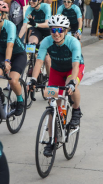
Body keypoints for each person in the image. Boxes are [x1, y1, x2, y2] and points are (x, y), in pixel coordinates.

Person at [28, 15, 84, 155]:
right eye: (53, 30)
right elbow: (39, 62)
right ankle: (52, 140)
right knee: (53, 103)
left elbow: (76, 65)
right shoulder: (46, 41)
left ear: (65, 31)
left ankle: (76, 110)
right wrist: (33, 79)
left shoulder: (73, 42)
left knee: (71, 85)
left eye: (59, 30)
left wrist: (72, 82)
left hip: (73, 68)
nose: (56, 33)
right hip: (56, 70)